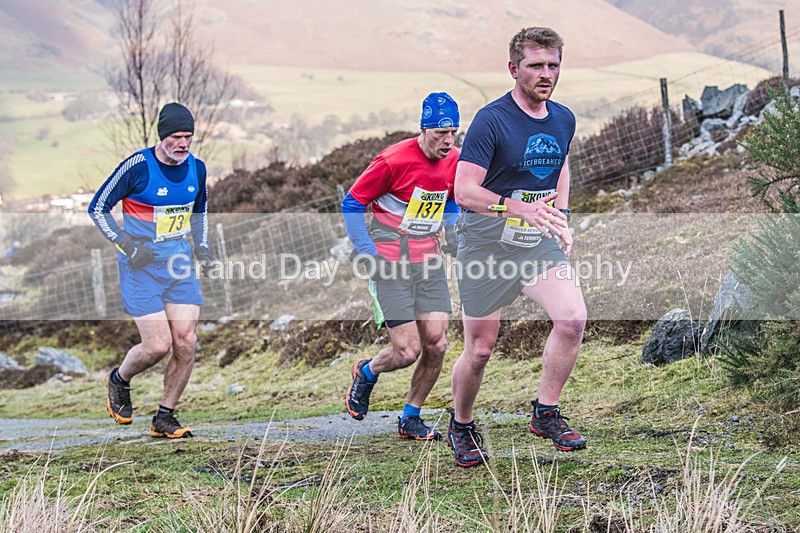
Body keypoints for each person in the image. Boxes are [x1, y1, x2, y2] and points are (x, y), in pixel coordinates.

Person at [448, 27, 587, 467]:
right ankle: (462, 424)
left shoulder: (563, 118)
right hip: (485, 246)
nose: (546, 74)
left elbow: (560, 163)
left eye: (553, 65)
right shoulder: (492, 120)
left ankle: (545, 413)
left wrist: (559, 216)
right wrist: (515, 208)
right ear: (513, 68)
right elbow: (464, 191)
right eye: (535, 65)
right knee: (481, 349)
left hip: (534, 243)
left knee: (572, 318)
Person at [88, 102, 212, 439]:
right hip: (140, 267)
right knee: (157, 345)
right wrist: (127, 243)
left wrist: (202, 247)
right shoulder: (137, 166)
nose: (183, 143)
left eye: (188, 136)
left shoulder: (197, 169)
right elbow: (97, 208)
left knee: (185, 341)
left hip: (178, 264)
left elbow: (200, 212)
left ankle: (165, 417)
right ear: (162, 136)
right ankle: (120, 379)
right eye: (176, 137)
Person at [342, 92, 461, 441]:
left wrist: (451, 230)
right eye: (441, 132)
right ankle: (367, 371)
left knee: (436, 345)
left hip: (428, 261)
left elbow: (452, 199)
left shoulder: (455, 160)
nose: (448, 140)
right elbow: (352, 203)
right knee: (408, 351)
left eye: (453, 131)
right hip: (389, 262)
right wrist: (366, 250)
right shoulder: (392, 160)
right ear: (424, 129)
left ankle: (411, 417)